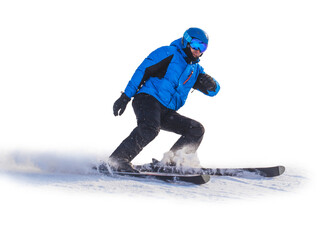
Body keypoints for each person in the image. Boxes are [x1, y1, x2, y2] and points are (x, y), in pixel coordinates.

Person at [102, 27, 220, 173]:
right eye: (196, 45)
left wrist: (212, 85)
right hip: (147, 99)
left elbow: (213, 91)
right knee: (150, 128)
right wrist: (125, 96)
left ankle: (172, 163)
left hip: (166, 110)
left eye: (203, 47)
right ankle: (117, 160)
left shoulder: (195, 70)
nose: (198, 50)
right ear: (186, 41)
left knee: (196, 130)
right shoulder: (168, 53)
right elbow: (142, 70)